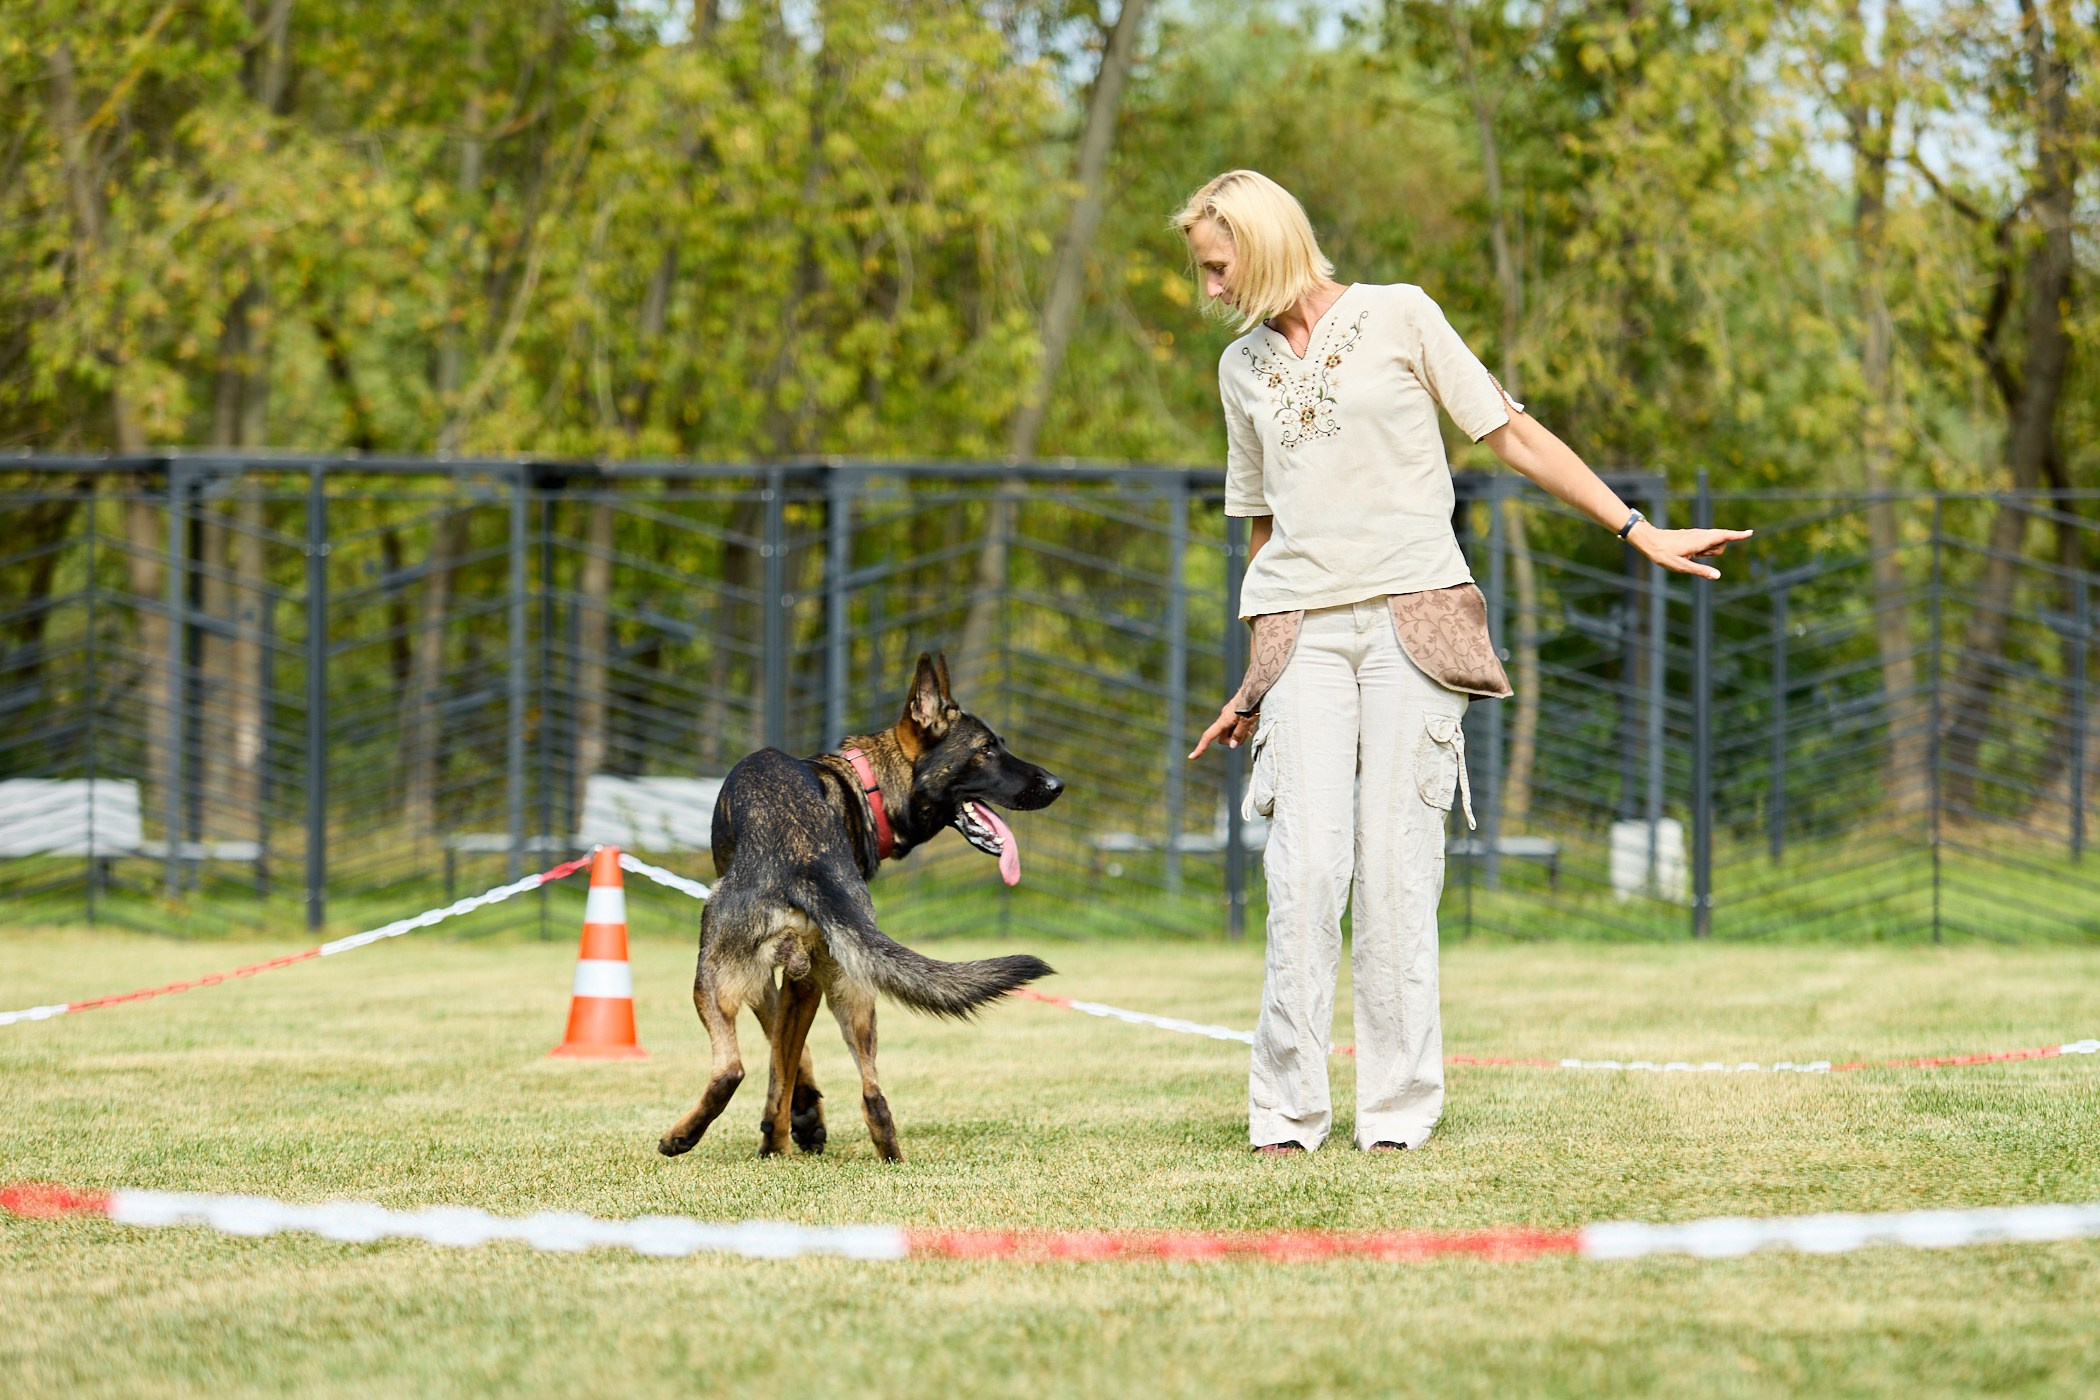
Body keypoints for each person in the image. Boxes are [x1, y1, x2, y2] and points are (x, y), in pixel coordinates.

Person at [1178, 169, 1749, 1154]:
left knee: (1396, 869)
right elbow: (1264, 532)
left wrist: (1635, 526)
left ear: (1266, 244)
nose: (1211, 290)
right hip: (1302, 633)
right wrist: (1253, 676)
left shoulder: (1400, 317)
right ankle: (1286, 1113)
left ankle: (1396, 1114)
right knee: (1304, 869)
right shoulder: (1240, 371)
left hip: (1415, 619)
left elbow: (1511, 433)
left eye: (1218, 268)